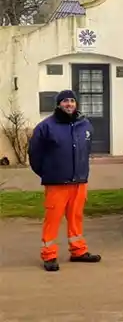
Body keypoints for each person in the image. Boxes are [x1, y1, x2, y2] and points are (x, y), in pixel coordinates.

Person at [28, 90, 102, 272]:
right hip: (56, 183)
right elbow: (35, 155)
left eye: (72, 101)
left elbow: (86, 150)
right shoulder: (46, 127)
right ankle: (49, 255)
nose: (69, 104)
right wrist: (48, 173)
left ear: (76, 104)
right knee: (52, 219)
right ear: (58, 104)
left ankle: (78, 251)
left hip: (79, 182)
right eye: (65, 101)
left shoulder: (85, 125)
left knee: (76, 217)